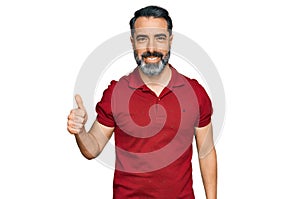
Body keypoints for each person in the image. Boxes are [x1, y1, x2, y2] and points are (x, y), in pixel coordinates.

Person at [67, 5, 217, 199]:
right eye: (142, 38)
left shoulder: (194, 92)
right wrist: (80, 132)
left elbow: (206, 153)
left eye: (160, 38)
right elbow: (92, 148)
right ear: (132, 42)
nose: (151, 48)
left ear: (170, 40)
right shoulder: (117, 92)